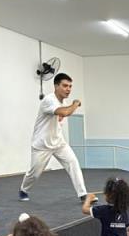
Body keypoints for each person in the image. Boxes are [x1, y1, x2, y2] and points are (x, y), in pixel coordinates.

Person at [18, 73, 87, 202]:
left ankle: (83, 194)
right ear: (56, 86)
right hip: (42, 145)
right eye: (65, 86)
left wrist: (62, 114)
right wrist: (76, 103)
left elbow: (61, 115)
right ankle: (23, 190)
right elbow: (65, 112)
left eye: (70, 86)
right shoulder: (49, 100)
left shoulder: (63, 102)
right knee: (35, 173)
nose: (68, 89)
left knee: (73, 163)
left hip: (59, 143)